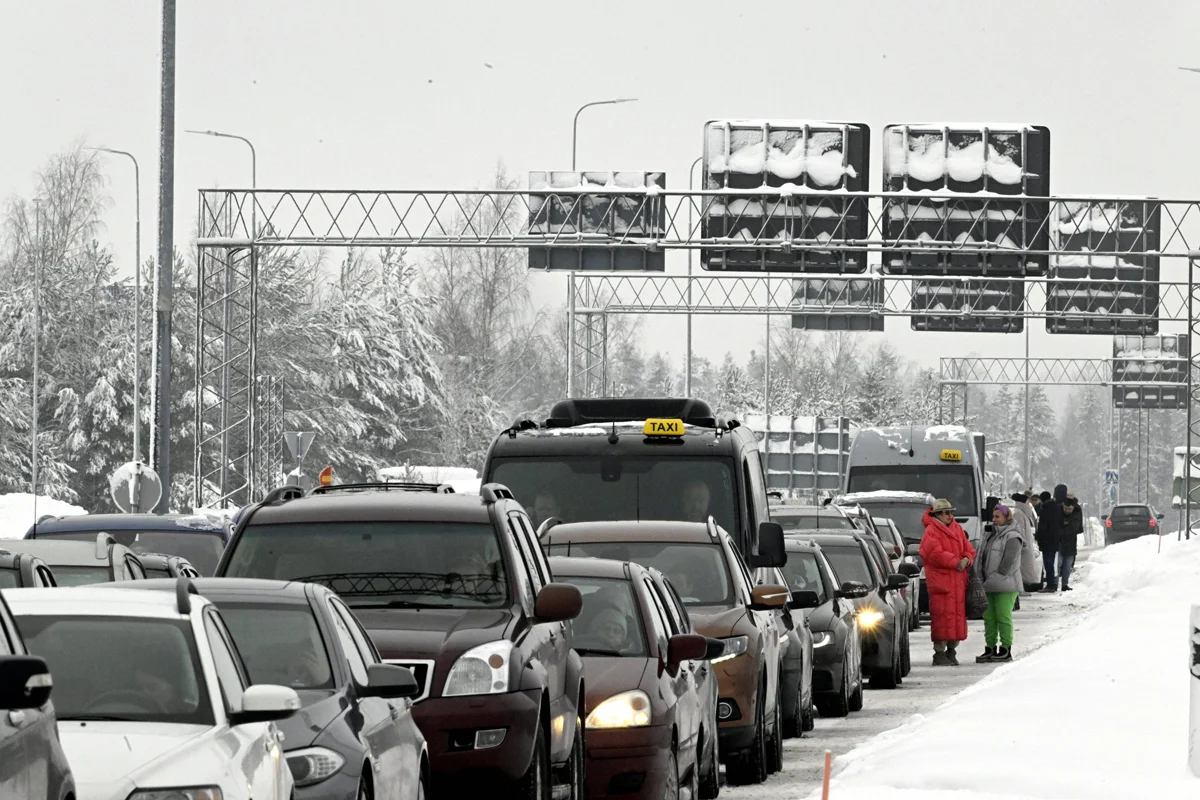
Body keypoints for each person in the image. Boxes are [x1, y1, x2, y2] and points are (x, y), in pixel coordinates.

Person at [919, 498, 977, 666]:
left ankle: (952, 650)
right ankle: (939, 652)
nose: (949, 516)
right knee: (942, 617)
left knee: (956, 617)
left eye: (951, 512)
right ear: (937, 514)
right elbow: (934, 553)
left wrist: (967, 559)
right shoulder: (931, 531)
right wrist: (956, 562)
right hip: (942, 583)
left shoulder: (957, 528)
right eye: (946, 512)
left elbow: (969, 549)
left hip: (957, 582)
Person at [976, 503, 1026, 662]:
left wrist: (994, 578)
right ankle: (990, 647)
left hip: (1006, 584)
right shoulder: (990, 534)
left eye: (997, 517)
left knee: (1003, 617)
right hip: (989, 583)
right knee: (989, 618)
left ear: (1007, 517)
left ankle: (1006, 648)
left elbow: (1007, 563)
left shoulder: (1013, 536)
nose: (994, 520)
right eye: (993, 517)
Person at [1009, 492, 1041, 598]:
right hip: (1022, 547)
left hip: (1025, 546)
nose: (1029, 503)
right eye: (1027, 501)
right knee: (1020, 568)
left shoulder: (1021, 513)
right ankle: (1020, 588)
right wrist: (1024, 544)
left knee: (1023, 568)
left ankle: (1022, 588)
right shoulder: (1018, 514)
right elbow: (1020, 531)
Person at [1035, 488, 1062, 593]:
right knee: (1050, 562)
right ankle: (1052, 584)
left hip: (1047, 541)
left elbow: (1043, 526)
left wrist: (1039, 536)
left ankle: (1050, 585)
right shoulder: (1055, 508)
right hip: (1054, 540)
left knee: (1048, 563)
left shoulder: (1046, 509)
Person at [1058, 493, 1084, 591]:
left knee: (1067, 565)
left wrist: (1066, 525)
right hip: (1059, 542)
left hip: (1070, 542)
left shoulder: (1077, 512)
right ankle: (1055, 583)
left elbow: (1075, 527)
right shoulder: (1058, 511)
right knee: (1058, 563)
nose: (1067, 511)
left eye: (1069, 509)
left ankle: (1064, 584)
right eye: (1066, 509)